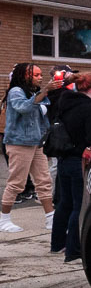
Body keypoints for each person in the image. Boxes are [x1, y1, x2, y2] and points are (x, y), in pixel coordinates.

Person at [48, 71, 91, 262]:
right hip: (79, 161)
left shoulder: (64, 103)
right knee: (78, 207)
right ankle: (73, 250)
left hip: (63, 159)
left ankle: (57, 244)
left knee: (64, 203)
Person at [2, 63, 64, 233]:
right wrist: (44, 91)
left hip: (35, 143)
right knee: (16, 183)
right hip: (19, 143)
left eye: (40, 74)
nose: (40, 77)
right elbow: (24, 108)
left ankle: (51, 219)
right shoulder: (16, 92)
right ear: (25, 76)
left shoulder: (32, 92)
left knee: (44, 181)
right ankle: (4, 219)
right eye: (36, 75)